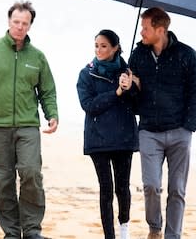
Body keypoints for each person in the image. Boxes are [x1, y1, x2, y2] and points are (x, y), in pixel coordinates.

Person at [0, 1, 58, 239]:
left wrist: (52, 114)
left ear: (30, 25)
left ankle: (33, 231)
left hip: (28, 126)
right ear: (8, 21)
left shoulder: (37, 57)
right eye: (16, 22)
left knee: (31, 173)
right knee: (3, 181)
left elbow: (47, 90)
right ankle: (12, 233)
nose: (20, 27)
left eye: (25, 23)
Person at [126, 7, 196, 239]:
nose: (142, 32)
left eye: (146, 28)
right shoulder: (138, 55)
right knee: (151, 185)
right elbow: (132, 98)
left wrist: (189, 125)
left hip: (180, 132)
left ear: (160, 30)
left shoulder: (186, 55)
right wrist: (131, 85)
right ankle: (155, 228)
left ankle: (173, 236)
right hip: (149, 130)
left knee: (177, 190)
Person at [76, 29, 139, 239]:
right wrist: (117, 92)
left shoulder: (128, 72)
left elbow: (138, 104)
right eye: (96, 45)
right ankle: (109, 236)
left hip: (123, 139)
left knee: (122, 187)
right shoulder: (86, 73)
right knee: (106, 189)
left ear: (115, 48)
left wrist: (130, 87)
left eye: (104, 46)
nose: (99, 50)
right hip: (98, 140)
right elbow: (89, 105)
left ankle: (124, 230)